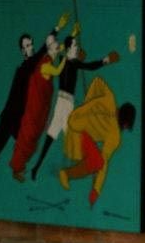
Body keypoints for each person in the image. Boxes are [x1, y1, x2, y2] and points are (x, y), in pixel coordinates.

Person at [30, 33, 120, 180]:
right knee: (69, 137)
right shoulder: (71, 61)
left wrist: (78, 54)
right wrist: (105, 60)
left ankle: (38, 167)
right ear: (70, 48)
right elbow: (89, 66)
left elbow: (77, 65)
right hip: (64, 105)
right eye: (75, 46)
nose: (77, 48)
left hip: (61, 103)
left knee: (55, 137)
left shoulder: (64, 60)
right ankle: (89, 165)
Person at [0, 13, 69, 161]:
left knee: (28, 146)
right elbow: (44, 51)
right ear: (23, 51)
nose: (31, 47)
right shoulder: (26, 67)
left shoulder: (32, 66)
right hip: (10, 118)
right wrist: (57, 28)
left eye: (31, 44)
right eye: (28, 46)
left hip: (19, 119)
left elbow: (48, 54)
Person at [57, 76, 135, 206]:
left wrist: (96, 190)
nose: (125, 128)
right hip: (76, 124)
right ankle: (65, 173)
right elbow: (98, 82)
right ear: (124, 119)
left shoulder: (115, 136)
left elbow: (104, 161)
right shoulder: (109, 101)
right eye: (127, 125)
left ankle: (65, 173)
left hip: (83, 135)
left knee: (97, 161)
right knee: (96, 160)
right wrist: (88, 103)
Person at [10, 18, 71, 181]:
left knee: (34, 139)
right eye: (53, 47)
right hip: (34, 107)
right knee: (27, 137)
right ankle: (16, 168)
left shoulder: (47, 56)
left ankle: (20, 167)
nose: (56, 48)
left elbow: (60, 47)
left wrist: (71, 35)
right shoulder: (44, 63)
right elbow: (57, 71)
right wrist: (66, 57)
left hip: (41, 107)